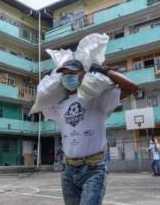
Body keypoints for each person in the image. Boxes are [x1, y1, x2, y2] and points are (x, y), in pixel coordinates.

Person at [42, 59, 137, 205]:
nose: (68, 77)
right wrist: (48, 78)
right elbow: (41, 98)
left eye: (72, 73)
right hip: (68, 170)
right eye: (65, 74)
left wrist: (104, 71)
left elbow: (131, 87)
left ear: (83, 74)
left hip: (93, 169)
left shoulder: (97, 98)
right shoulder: (60, 105)